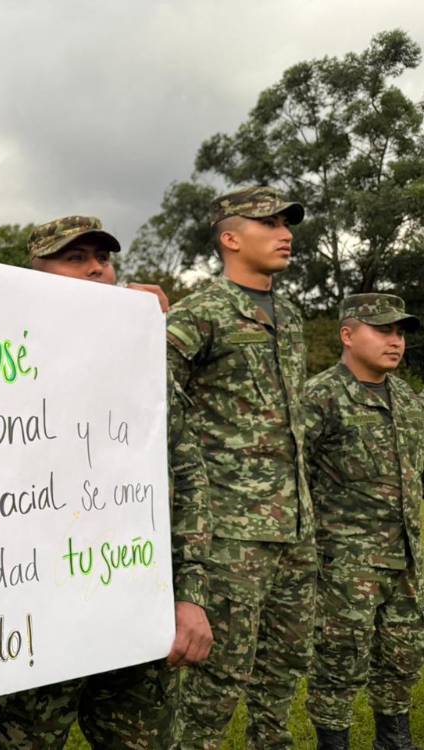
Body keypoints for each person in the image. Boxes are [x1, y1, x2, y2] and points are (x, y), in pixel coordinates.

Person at [0, 215, 212, 749]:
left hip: (132, 601)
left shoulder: (146, 356)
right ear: (33, 274)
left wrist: (189, 596)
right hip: (26, 609)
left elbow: (187, 476)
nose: (97, 269)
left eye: (102, 258)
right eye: (74, 259)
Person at [165, 186, 315, 748]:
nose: (285, 233)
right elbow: (152, 410)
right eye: (269, 223)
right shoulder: (199, 314)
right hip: (230, 536)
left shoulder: (293, 317)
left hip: (295, 534)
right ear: (230, 238)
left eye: (287, 223)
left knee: (281, 681)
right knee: (212, 692)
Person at [303, 294, 424, 750]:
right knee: (339, 662)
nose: (395, 341)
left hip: (405, 559)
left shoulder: (408, 401)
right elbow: (292, 475)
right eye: (383, 330)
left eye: (400, 332)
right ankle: (334, 743)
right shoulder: (319, 396)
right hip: (342, 566)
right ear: (348, 335)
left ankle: (395, 741)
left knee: (402, 656)